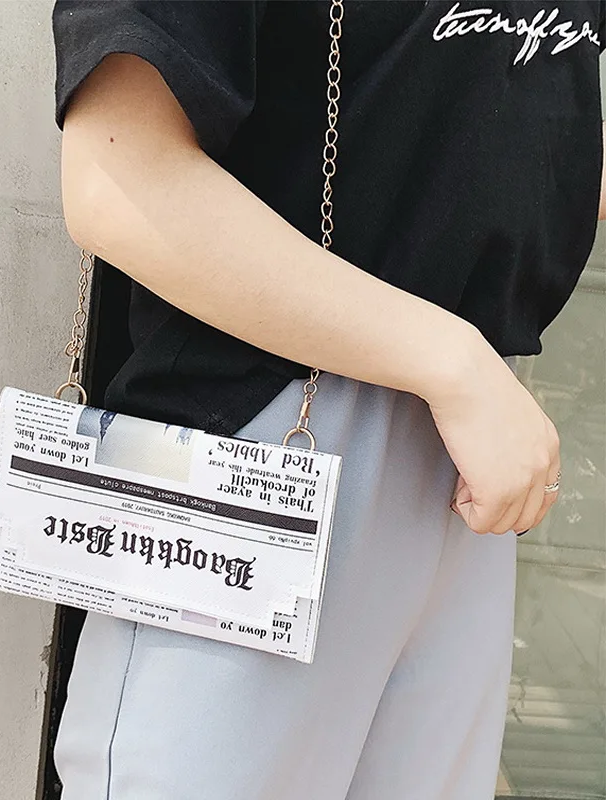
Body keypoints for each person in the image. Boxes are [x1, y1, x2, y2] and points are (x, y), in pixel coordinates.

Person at [50, 1, 606, 798]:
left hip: (470, 461)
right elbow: (118, 177)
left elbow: (517, 148)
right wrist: (452, 364)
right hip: (268, 429)